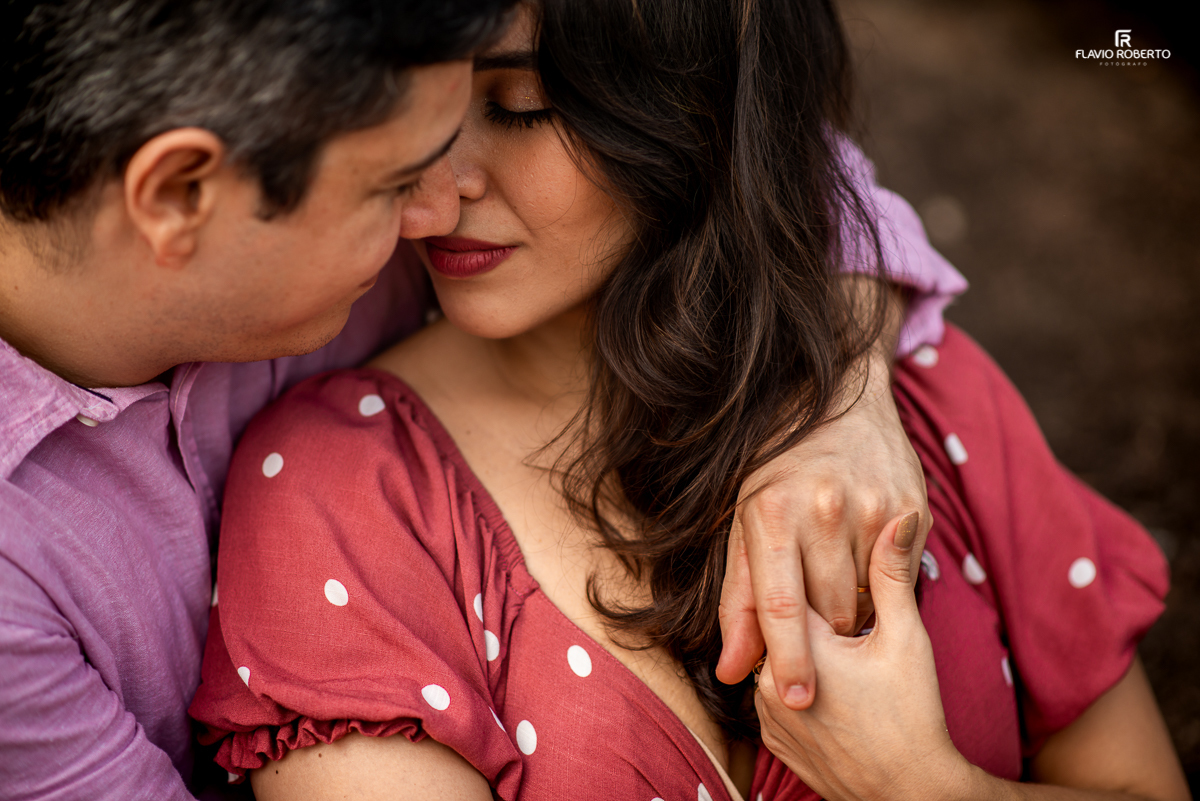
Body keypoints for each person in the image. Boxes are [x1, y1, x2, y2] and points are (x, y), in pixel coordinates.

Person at [189, 1, 1187, 799]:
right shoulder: (336, 492)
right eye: (424, 120)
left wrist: (926, 787)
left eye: (523, 105)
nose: (439, 194)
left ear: (684, 105)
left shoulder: (918, 390)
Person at [0, 1, 963, 798]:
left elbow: (739, 140)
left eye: (505, 107)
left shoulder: (338, 218)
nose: (436, 210)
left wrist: (839, 400)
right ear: (176, 199)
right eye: (389, 185)